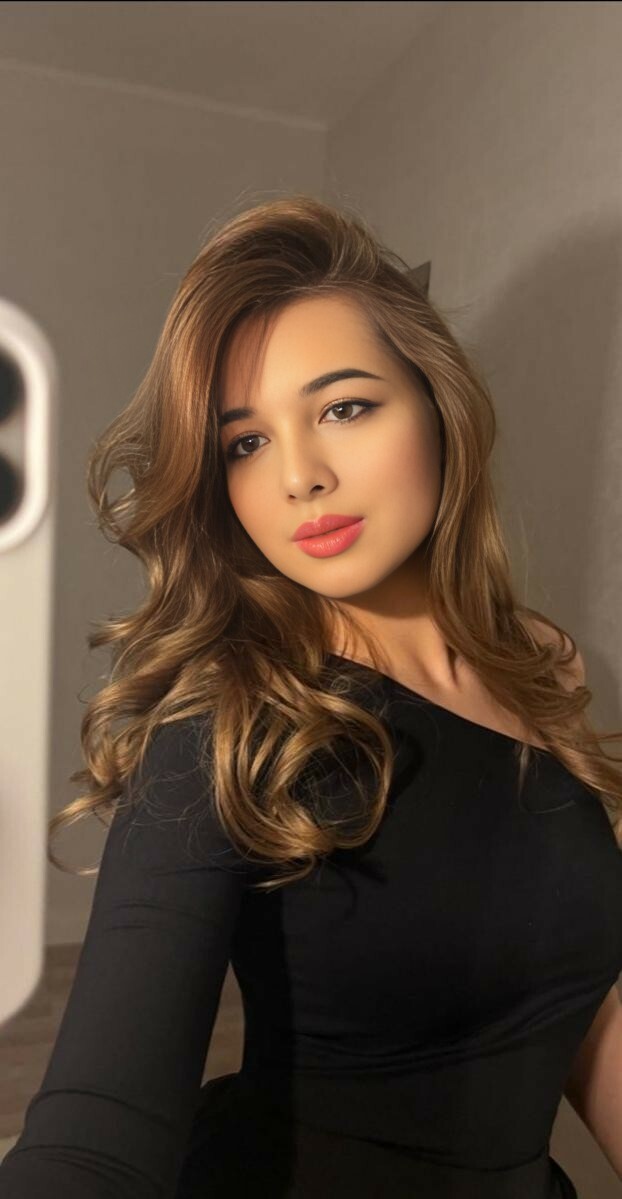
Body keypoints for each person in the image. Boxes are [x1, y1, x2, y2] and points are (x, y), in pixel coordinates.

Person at [2, 194, 622, 1198]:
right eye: (245, 442)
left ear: (438, 403)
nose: (299, 476)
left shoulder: (542, 669)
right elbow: (94, 1133)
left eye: (343, 407)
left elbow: (575, 997)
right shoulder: (227, 724)